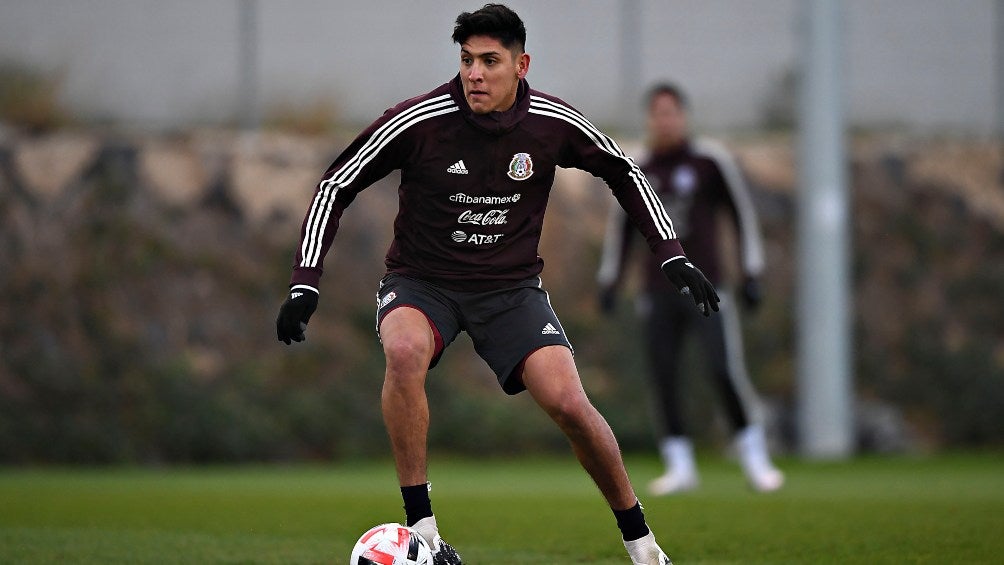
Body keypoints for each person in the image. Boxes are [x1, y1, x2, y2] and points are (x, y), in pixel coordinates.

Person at [276, 6, 718, 564]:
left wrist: (671, 255)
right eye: (466, 60)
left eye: (490, 61)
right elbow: (336, 184)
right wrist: (304, 284)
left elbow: (623, 171)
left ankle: (644, 547)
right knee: (405, 350)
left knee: (570, 404)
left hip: (510, 291)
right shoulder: (419, 120)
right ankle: (424, 533)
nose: (475, 74)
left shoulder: (552, 123)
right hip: (422, 282)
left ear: (521, 64)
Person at [597, 83, 784, 496]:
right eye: (657, 113)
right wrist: (610, 280)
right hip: (656, 291)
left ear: (683, 117)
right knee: (663, 375)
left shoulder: (709, 163)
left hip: (708, 288)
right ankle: (679, 465)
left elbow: (741, 216)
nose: (665, 120)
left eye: (672, 112)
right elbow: (623, 230)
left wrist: (751, 273)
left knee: (721, 368)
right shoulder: (637, 168)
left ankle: (755, 458)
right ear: (650, 120)